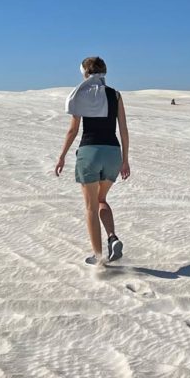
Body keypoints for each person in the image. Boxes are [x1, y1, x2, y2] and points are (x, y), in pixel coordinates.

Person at [55, 56, 130, 265]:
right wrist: (125, 160)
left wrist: (61, 156)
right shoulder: (115, 95)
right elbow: (123, 129)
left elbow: (73, 129)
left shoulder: (82, 94)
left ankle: (98, 257)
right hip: (113, 153)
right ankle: (112, 237)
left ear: (85, 72)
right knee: (101, 200)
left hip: (89, 152)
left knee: (90, 207)